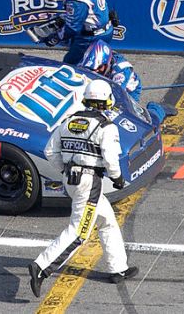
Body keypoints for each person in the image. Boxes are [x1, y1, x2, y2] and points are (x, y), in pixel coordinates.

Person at [27, 80, 138, 297]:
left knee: (107, 220)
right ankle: (42, 266)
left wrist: (65, 171)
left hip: (72, 179)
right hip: (90, 183)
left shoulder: (68, 121)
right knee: (79, 232)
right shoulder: (107, 127)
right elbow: (110, 158)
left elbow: (50, 151)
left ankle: (118, 269)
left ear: (86, 100)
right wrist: (117, 179)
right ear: (106, 102)